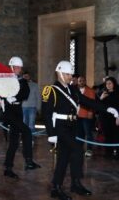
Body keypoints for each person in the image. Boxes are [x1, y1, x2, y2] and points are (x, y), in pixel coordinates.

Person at [42, 61, 119, 199]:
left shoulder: (73, 89)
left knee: (64, 158)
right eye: (67, 74)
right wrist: (51, 133)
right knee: (78, 150)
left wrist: (107, 109)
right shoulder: (51, 90)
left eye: (71, 74)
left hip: (72, 126)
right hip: (60, 127)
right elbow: (46, 113)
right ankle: (75, 183)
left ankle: (58, 187)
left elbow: (88, 102)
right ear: (59, 73)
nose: (70, 77)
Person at [3, 56, 40, 179]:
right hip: (9, 111)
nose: (19, 69)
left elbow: (26, 93)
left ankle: (8, 168)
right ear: (12, 67)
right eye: (17, 67)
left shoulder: (22, 80)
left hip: (18, 110)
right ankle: (28, 161)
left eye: (20, 67)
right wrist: (5, 97)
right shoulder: (5, 79)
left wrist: (15, 97)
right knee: (27, 131)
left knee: (13, 142)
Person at [98, 76, 119, 159]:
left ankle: (117, 153)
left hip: (116, 118)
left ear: (114, 84)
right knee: (107, 136)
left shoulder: (117, 93)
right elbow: (98, 106)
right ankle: (108, 153)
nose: (108, 85)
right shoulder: (103, 93)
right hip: (105, 119)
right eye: (107, 84)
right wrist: (101, 98)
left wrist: (118, 117)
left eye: (110, 83)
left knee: (116, 135)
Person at [76, 76, 96, 157]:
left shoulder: (90, 91)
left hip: (86, 114)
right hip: (77, 115)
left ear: (85, 81)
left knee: (88, 133)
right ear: (78, 82)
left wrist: (91, 112)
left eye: (83, 80)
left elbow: (92, 103)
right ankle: (79, 148)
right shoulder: (75, 90)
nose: (81, 82)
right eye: (80, 81)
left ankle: (89, 149)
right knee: (79, 133)